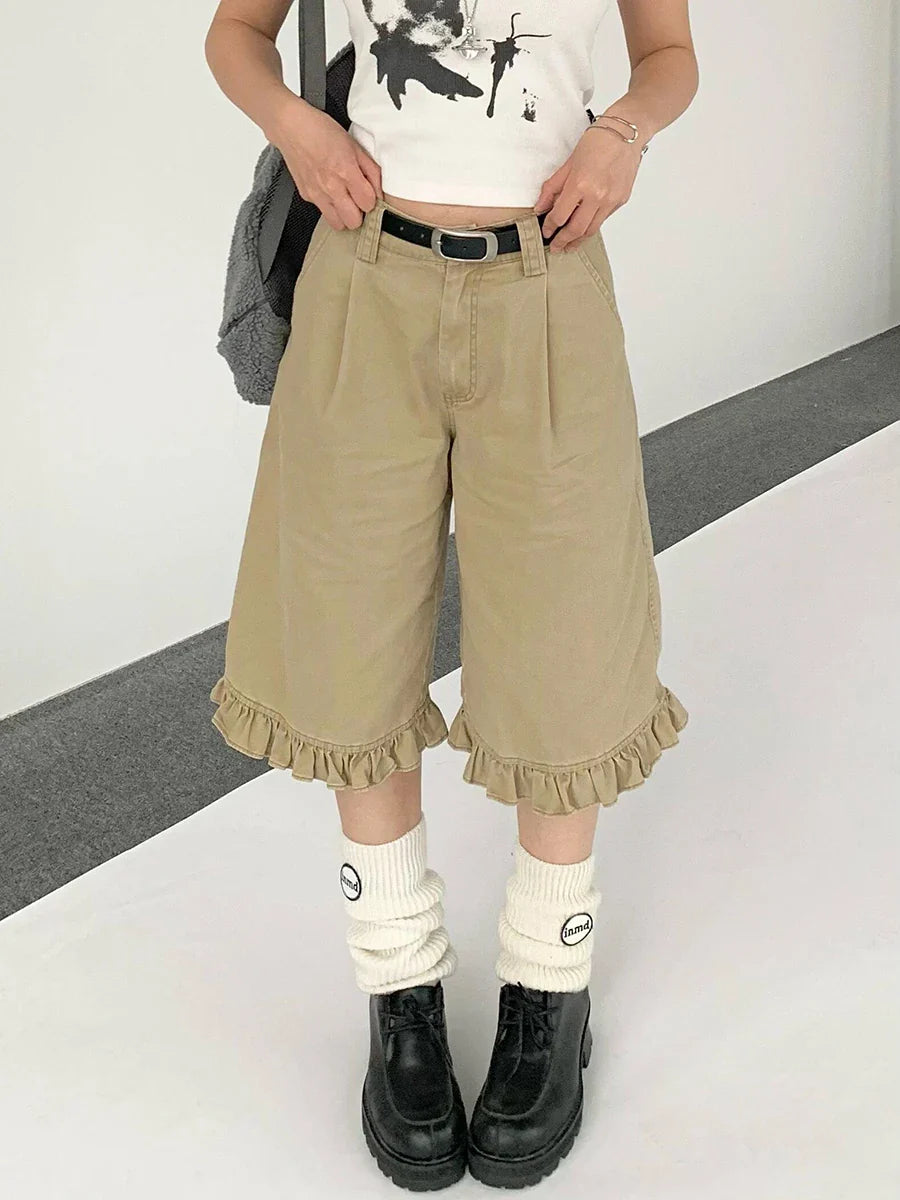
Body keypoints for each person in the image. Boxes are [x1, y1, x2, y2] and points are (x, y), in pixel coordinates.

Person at [204, 0, 697, 1189]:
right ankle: (400, 985)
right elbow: (235, 33)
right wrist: (297, 129)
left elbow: (671, 56)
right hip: (364, 278)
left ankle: (549, 984)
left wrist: (622, 133)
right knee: (350, 630)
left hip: (549, 281)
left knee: (567, 639)